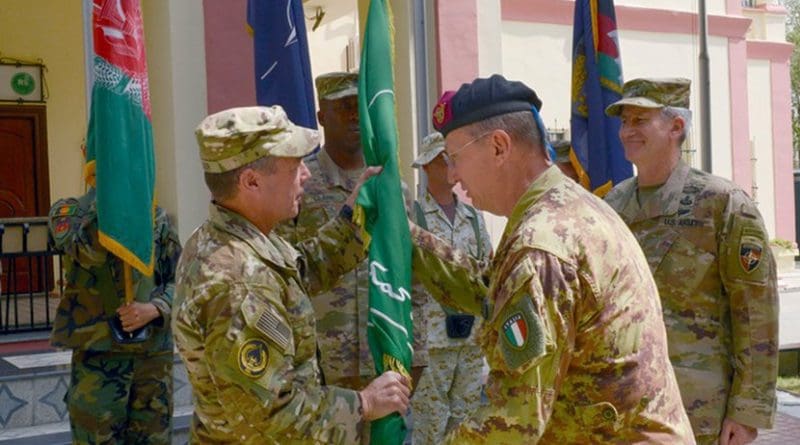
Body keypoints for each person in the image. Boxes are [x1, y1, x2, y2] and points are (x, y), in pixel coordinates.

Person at [410, 75, 695, 443]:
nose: (452, 175)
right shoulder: (570, 207)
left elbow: (511, 424)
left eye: (455, 157)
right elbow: (491, 290)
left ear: (498, 146)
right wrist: (406, 236)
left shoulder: (540, 245)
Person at [172, 105, 410, 444]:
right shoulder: (240, 281)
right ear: (251, 181)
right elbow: (272, 414)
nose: (306, 175)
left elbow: (302, 270)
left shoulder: (234, 239)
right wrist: (364, 404)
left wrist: (354, 219)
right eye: (294, 165)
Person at [604, 78, 779, 445]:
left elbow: (755, 311)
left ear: (676, 126)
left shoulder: (721, 203)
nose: (627, 131)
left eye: (639, 120)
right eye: (624, 121)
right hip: (625, 405)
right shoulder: (612, 205)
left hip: (698, 410)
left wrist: (747, 411)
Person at [276, 72, 427, 393]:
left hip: (384, 357)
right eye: (343, 107)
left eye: (360, 107)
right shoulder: (299, 184)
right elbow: (283, 270)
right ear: (321, 116)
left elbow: (413, 273)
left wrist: (418, 349)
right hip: (318, 365)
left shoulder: (391, 189)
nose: (355, 115)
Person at [48, 188, 181, 444]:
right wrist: (111, 198)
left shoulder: (156, 217)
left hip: (151, 359)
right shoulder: (69, 211)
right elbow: (88, 253)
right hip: (99, 359)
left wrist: (155, 308)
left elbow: (182, 279)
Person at [409, 131, 492, 444]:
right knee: (430, 425)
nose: (451, 167)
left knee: (467, 422)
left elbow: (486, 271)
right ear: (428, 165)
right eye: (444, 159)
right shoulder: (413, 216)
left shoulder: (473, 217)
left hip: (471, 337)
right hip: (432, 340)